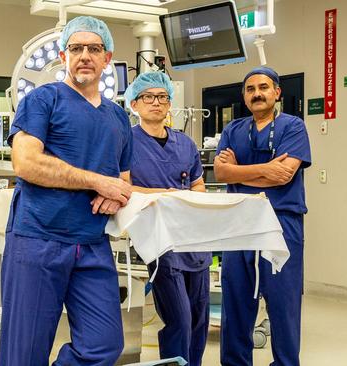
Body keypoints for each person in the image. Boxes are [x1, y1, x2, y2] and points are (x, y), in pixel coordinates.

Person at [0, 16, 133, 365]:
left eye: (93, 48)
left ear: (108, 58)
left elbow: (125, 179)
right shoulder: (43, 100)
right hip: (39, 238)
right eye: (76, 48)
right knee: (24, 353)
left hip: (91, 243)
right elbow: (26, 164)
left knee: (104, 345)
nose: (84, 55)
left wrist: (115, 193)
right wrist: (96, 182)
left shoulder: (118, 118)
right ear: (63, 56)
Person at [214, 66, 311, 366]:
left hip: (280, 223)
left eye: (264, 87)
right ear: (244, 96)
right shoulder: (233, 130)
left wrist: (238, 174)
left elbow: (284, 175)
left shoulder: (293, 127)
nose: (257, 93)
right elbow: (220, 171)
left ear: (277, 92)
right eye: (251, 89)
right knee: (236, 300)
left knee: (283, 303)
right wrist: (265, 170)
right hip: (239, 224)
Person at [124, 71, 210, 366]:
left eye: (162, 97)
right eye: (148, 97)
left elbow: (198, 184)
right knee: (180, 318)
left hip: (194, 238)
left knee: (199, 317)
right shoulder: (126, 141)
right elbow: (122, 186)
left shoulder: (185, 144)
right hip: (158, 239)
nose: (156, 103)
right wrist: (166, 194)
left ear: (169, 104)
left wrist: (194, 199)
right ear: (134, 104)